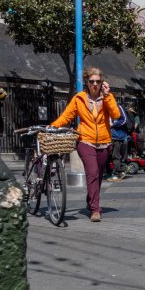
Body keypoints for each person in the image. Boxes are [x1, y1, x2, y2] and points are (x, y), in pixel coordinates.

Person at [50, 67, 121, 222]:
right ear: (87, 83)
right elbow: (67, 116)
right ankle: (95, 209)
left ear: (102, 83)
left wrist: (107, 96)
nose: (95, 84)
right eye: (91, 81)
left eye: (98, 81)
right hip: (85, 141)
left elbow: (116, 115)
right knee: (93, 173)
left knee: (98, 176)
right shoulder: (79, 98)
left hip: (105, 142)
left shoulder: (108, 98)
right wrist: (53, 126)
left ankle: (91, 200)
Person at [107, 104, 131, 182]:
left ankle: (119, 172)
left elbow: (124, 120)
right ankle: (112, 171)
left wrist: (113, 125)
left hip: (118, 137)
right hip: (108, 136)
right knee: (108, 155)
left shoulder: (118, 107)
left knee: (116, 155)